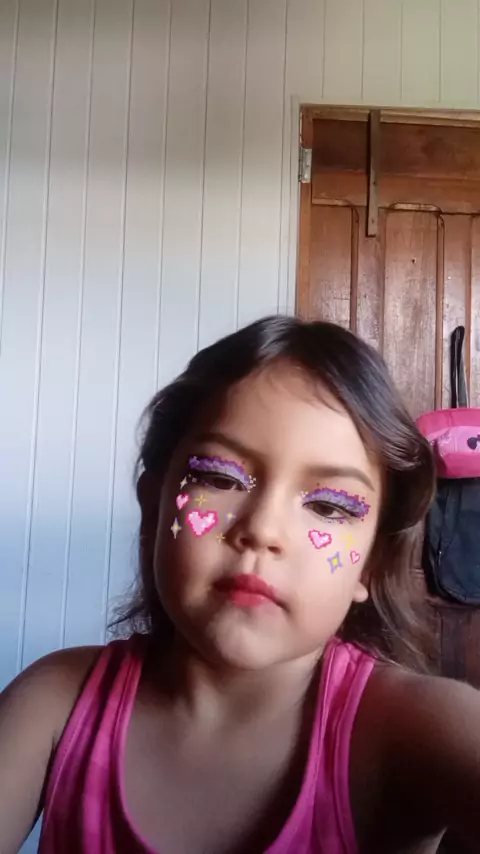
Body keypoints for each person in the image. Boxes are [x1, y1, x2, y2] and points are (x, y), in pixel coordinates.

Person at [1, 315, 479, 854]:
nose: (263, 530)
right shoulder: (56, 704)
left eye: (329, 506)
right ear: (154, 511)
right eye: (220, 478)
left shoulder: (414, 729)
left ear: (369, 565)